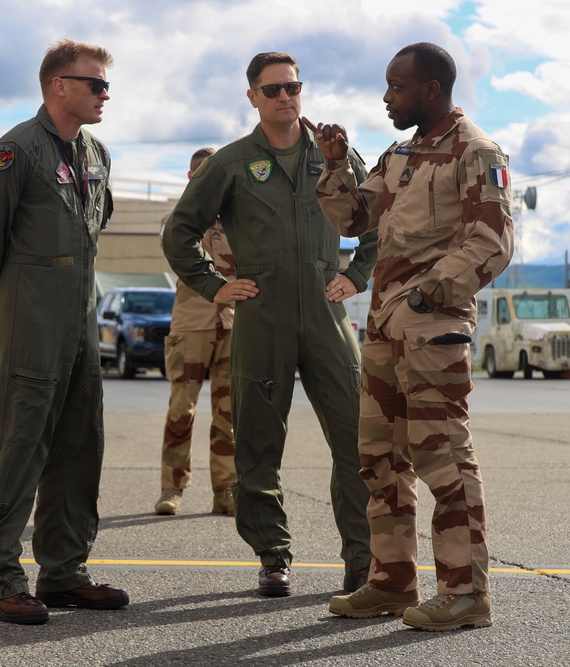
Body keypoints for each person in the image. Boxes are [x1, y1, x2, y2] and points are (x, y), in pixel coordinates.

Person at [306, 41, 514, 631]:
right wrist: (335, 162)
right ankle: (392, 582)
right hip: (383, 327)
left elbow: (492, 242)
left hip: (431, 326)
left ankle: (466, 594)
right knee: (379, 458)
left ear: (430, 89)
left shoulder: (476, 151)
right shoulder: (398, 154)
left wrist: (429, 291)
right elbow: (352, 220)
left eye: (396, 87)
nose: (386, 96)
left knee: (440, 455)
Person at [162, 51, 378, 597]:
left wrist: (357, 275)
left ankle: (362, 560)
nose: (287, 97)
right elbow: (179, 232)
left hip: (328, 316)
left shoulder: (336, 155)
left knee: (357, 441)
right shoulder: (230, 163)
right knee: (257, 444)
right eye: (274, 89)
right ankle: (272, 555)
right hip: (261, 318)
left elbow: (380, 218)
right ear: (253, 97)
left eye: (294, 87)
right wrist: (215, 286)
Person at [0, 39, 128, 626]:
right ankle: (3, 575)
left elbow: (95, 226)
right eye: (96, 84)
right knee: (20, 437)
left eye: (107, 85)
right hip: (31, 311)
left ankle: (63, 571)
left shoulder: (97, 153)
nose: (105, 94)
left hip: (81, 315)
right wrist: (18, 292)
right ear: (60, 85)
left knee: (80, 441)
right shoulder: (16, 149)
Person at [155, 147, 238, 517]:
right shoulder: (179, 218)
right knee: (181, 409)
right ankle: (172, 488)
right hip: (192, 323)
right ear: (191, 178)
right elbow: (173, 247)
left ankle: (226, 490)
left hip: (234, 322)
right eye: (199, 173)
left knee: (229, 412)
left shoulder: (239, 220)